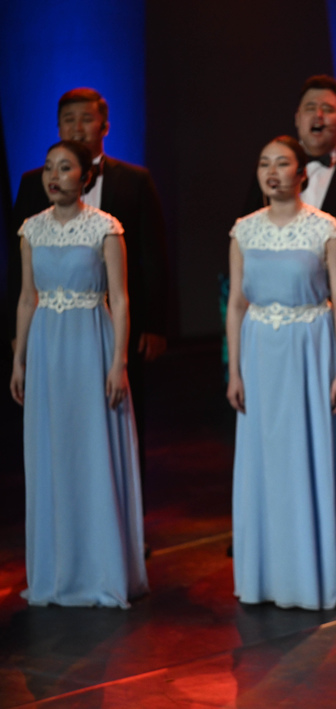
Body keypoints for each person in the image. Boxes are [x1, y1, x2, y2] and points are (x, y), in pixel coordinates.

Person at [10, 140, 147, 607]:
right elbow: (27, 298)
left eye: (65, 168)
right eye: (49, 167)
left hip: (92, 343)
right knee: (54, 451)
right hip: (47, 347)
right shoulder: (31, 229)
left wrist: (119, 362)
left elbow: (121, 300)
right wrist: (19, 359)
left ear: (86, 177)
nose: (54, 176)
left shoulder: (105, 227)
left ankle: (102, 570)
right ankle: (57, 571)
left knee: (93, 448)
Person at [9, 87, 169, 479]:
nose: (77, 127)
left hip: (105, 324)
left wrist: (154, 324)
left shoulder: (134, 181)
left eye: (86, 119)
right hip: (49, 331)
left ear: (104, 125)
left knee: (114, 416)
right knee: (56, 426)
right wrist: (17, 341)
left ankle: (115, 503)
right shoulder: (32, 189)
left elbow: (151, 257)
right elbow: (21, 277)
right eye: (68, 120)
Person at [227, 136, 336, 610]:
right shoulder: (244, 231)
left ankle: (312, 575)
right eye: (264, 163)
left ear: (302, 173)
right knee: (265, 462)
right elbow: (236, 304)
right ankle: (265, 576)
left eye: (282, 163)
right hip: (261, 353)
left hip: (310, 351)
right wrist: (235, 370)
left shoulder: (326, 229)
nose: (272, 172)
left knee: (310, 456)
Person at [243, 75, 336, 398]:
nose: (318, 116)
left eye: (327, 109)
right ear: (297, 118)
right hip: (273, 327)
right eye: (310, 108)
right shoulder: (269, 176)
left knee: (335, 406)